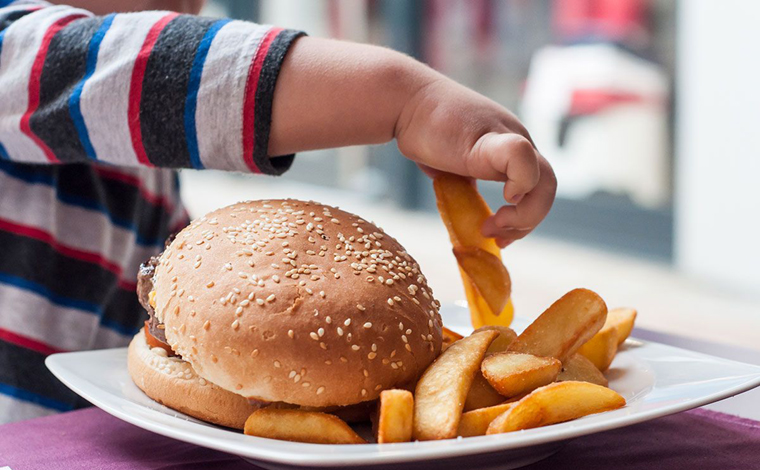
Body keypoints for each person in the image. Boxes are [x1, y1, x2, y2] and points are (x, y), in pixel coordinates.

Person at [0, 0, 557, 423]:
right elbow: (118, 67)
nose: (183, 8)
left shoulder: (143, 169)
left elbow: (182, 323)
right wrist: (405, 101)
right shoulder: (16, 56)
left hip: (100, 432)